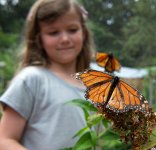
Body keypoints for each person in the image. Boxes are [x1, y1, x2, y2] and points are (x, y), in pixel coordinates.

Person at [0, 0, 94, 149]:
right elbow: (4, 140)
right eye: (53, 32)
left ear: (84, 33)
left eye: (72, 30)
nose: (64, 39)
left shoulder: (93, 86)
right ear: (39, 39)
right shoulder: (31, 80)